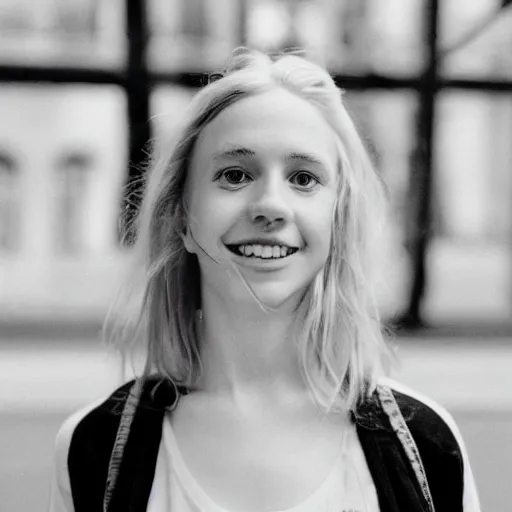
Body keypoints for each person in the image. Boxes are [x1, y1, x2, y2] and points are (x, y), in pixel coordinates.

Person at [48, 48, 480, 512]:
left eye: (304, 178)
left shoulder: (426, 446)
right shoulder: (92, 448)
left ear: (338, 219)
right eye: (234, 175)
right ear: (182, 220)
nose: (271, 205)